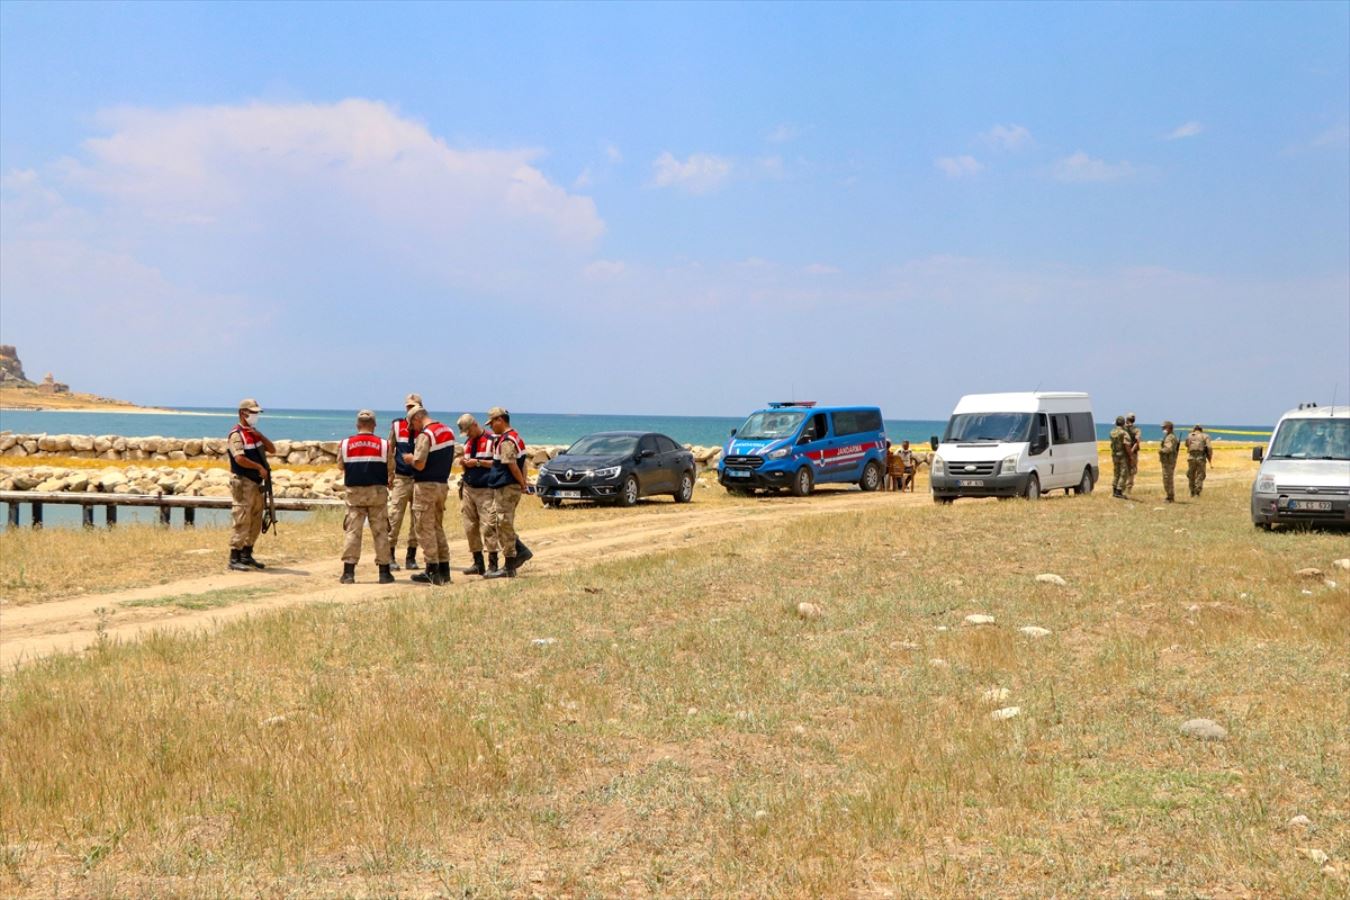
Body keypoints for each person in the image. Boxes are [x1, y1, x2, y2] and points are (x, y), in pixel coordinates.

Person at [337, 410, 396, 584]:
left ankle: (349, 573)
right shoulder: (384, 445)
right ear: (374, 425)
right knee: (380, 532)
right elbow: (391, 469)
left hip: (355, 494)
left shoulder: (346, 444)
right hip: (377, 493)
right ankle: (384, 572)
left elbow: (341, 465)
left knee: (353, 531)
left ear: (357, 425)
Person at [403, 406, 455, 585]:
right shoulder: (447, 430)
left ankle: (432, 569)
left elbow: (420, 464)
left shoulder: (426, 435)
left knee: (424, 528)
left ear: (418, 418)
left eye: (412, 424)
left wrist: (410, 459)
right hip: (442, 484)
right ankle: (444, 569)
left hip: (426, 486)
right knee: (437, 526)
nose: (412, 428)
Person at [483, 407, 534, 579]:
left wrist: (522, 484)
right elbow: (523, 464)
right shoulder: (515, 437)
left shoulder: (507, 440)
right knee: (493, 523)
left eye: (492, 423)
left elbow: (512, 465)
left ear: (500, 420)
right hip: (504, 487)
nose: (491, 428)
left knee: (504, 524)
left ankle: (510, 564)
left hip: (506, 488)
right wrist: (523, 482)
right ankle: (520, 551)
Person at [227, 398, 276, 571]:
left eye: (256, 413)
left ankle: (247, 554)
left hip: (256, 483)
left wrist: (260, 435)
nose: (255, 416)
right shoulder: (236, 434)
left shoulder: (253, 433)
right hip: (243, 481)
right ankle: (235, 557)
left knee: (256, 518)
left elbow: (272, 449)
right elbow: (239, 458)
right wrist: (258, 467)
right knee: (242, 517)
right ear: (243, 413)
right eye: (252, 412)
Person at [456, 412, 500, 576]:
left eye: (468, 430)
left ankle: (493, 564)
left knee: (488, 526)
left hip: (486, 489)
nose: (467, 434)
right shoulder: (468, 442)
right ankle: (477, 562)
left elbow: (498, 464)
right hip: (468, 488)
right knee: (470, 527)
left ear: (475, 425)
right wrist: (464, 463)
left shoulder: (491, 441)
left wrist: (479, 462)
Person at [386, 392, 422, 571]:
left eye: (414, 407)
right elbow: (390, 449)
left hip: (419, 479)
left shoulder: (424, 428)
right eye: (409, 407)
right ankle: (390, 555)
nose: (411, 410)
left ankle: (411, 556)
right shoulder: (397, 425)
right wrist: (389, 474)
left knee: (417, 519)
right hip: (401, 477)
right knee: (394, 517)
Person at [1185, 424, 1213, 497]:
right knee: (1200, 474)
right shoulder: (1205, 436)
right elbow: (1209, 447)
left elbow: (1186, 444)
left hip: (1191, 457)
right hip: (1201, 457)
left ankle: (1192, 491)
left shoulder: (1189, 435)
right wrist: (1210, 456)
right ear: (1201, 430)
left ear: (1194, 429)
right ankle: (1197, 492)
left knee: (1191, 474)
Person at [1108, 415, 1131, 499]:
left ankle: (1114, 490)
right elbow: (1127, 445)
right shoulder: (1124, 433)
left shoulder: (1112, 432)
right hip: (1122, 455)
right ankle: (1119, 491)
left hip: (1114, 455)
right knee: (1123, 473)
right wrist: (1130, 455)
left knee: (1116, 472)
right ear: (1123, 423)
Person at [1158, 420, 1180, 502]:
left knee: (1168, 479)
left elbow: (1168, 448)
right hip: (1167, 461)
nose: (1162, 429)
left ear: (1169, 427)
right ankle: (1169, 496)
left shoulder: (1170, 437)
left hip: (1169, 461)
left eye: (1164, 427)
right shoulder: (1168, 436)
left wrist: (1161, 450)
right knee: (1166, 478)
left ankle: (1170, 497)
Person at [1124, 413, 1142, 495]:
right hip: (1133, 453)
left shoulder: (1123, 428)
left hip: (1124, 452)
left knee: (1124, 470)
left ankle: (1122, 489)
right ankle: (1128, 490)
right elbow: (1137, 441)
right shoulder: (1137, 430)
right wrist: (1131, 451)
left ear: (1127, 419)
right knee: (1132, 470)